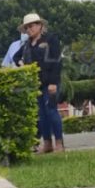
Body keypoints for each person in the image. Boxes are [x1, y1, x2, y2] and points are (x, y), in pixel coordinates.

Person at [14, 13, 64, 153]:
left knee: (51, 111)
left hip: (50, 82)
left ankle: (59, 142)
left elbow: (57, 61)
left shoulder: (51, 39)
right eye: (27, 27)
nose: (29, 29)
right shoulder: (27, 45)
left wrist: (53, 82)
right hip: (36, 84)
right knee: (41, 114)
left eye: (32, 26)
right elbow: (16, 56)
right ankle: (47, 143)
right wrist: (21, 63)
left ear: (40, 25)